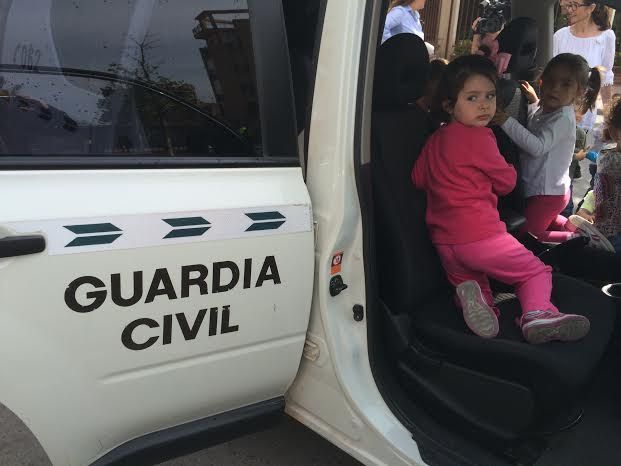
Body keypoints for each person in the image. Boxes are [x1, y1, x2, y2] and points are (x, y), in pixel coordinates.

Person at [412, 55, 590, 344]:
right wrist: (505, 168)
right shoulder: (482, 138)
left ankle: (481, 308)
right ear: (449, 104)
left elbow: (418, 179)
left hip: (445, 242)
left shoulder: (435, 140)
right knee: (533, 272)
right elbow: (507, 184)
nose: (484, 105)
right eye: (472, 98)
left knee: (475, 283)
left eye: (490, 96)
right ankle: (538, 313)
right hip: (481, 237)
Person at [495, 53, 606, 247]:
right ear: (541, 81)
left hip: (546, 194)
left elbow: (537, 146)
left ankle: (581, 240)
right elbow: (535, 125)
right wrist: (533, 103)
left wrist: (506, 120)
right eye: (551, 81)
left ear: (579, 91)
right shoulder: (548, 110)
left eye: (565, 84)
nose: (555, 88)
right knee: (547, 222)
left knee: (528, 236)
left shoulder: (562, 118)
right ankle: (572, 227)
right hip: (550, 191)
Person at [554, 1, 615, 131]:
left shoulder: (607, 37)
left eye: (574, 5)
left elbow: (606, 81)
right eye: (566, 5)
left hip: (586, 117)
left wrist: (609, 121)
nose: (568, 10)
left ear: (591, 8)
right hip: (557, 114)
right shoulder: (559, 36)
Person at [571, 96, 621, 252]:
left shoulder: (606, 157)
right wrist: (586, 208)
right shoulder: (607, 158)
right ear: (613, 131)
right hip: (603, 234)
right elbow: (599, 190)